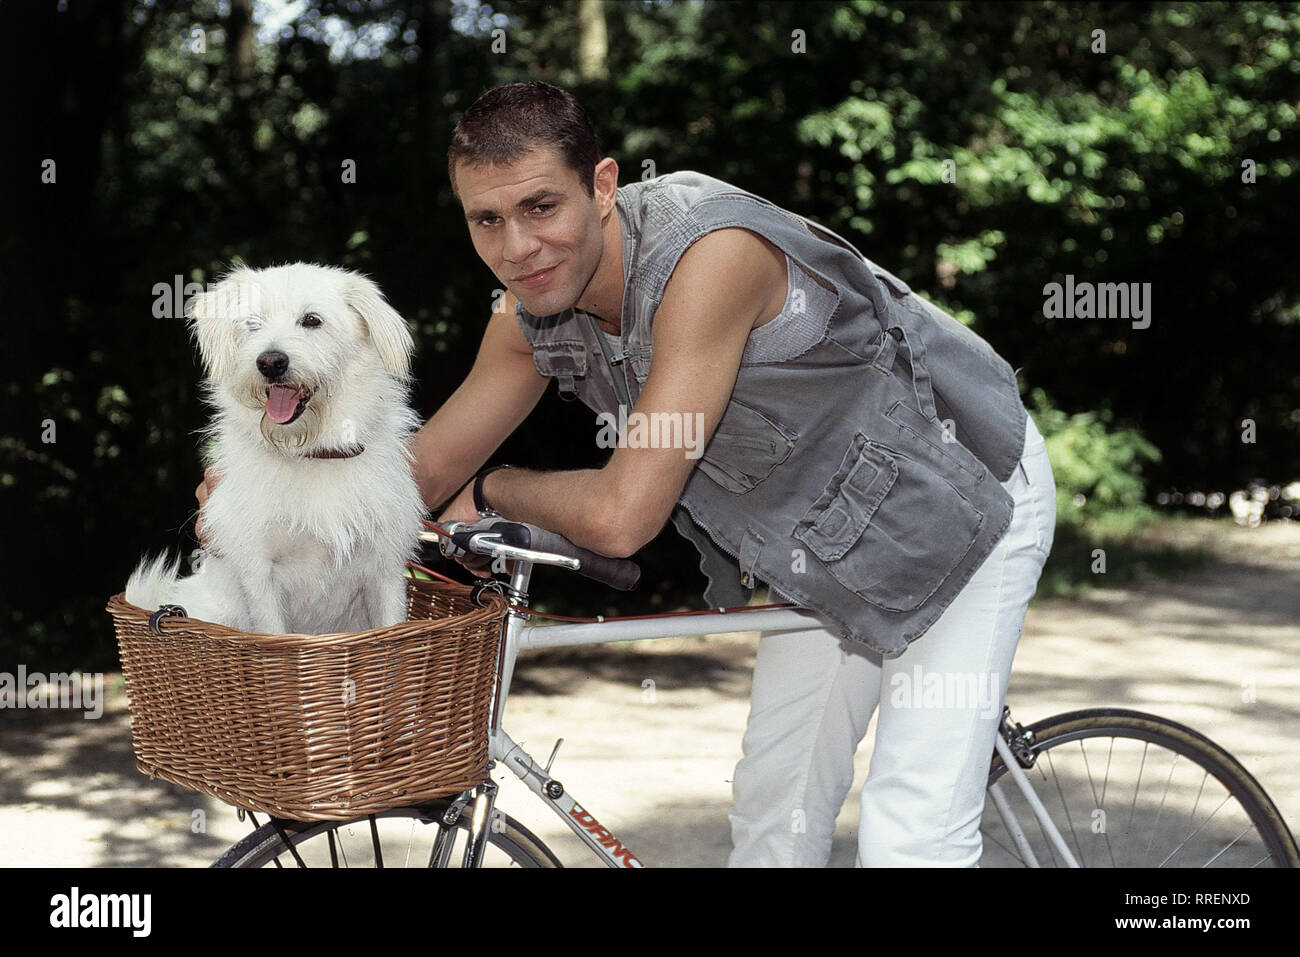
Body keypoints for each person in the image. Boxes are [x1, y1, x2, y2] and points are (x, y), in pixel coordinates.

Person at [199, 81, 1057, 867]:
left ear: (603, 185)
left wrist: (497, 492)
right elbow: (414, 474)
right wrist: (271, 496)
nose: (519, 246)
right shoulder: (528, 312)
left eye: (541, 206)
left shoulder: (710, 256)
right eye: (487, 220)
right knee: (773, 812)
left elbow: (621, 515)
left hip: (960, 500)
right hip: (823, 544)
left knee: (910, 829)